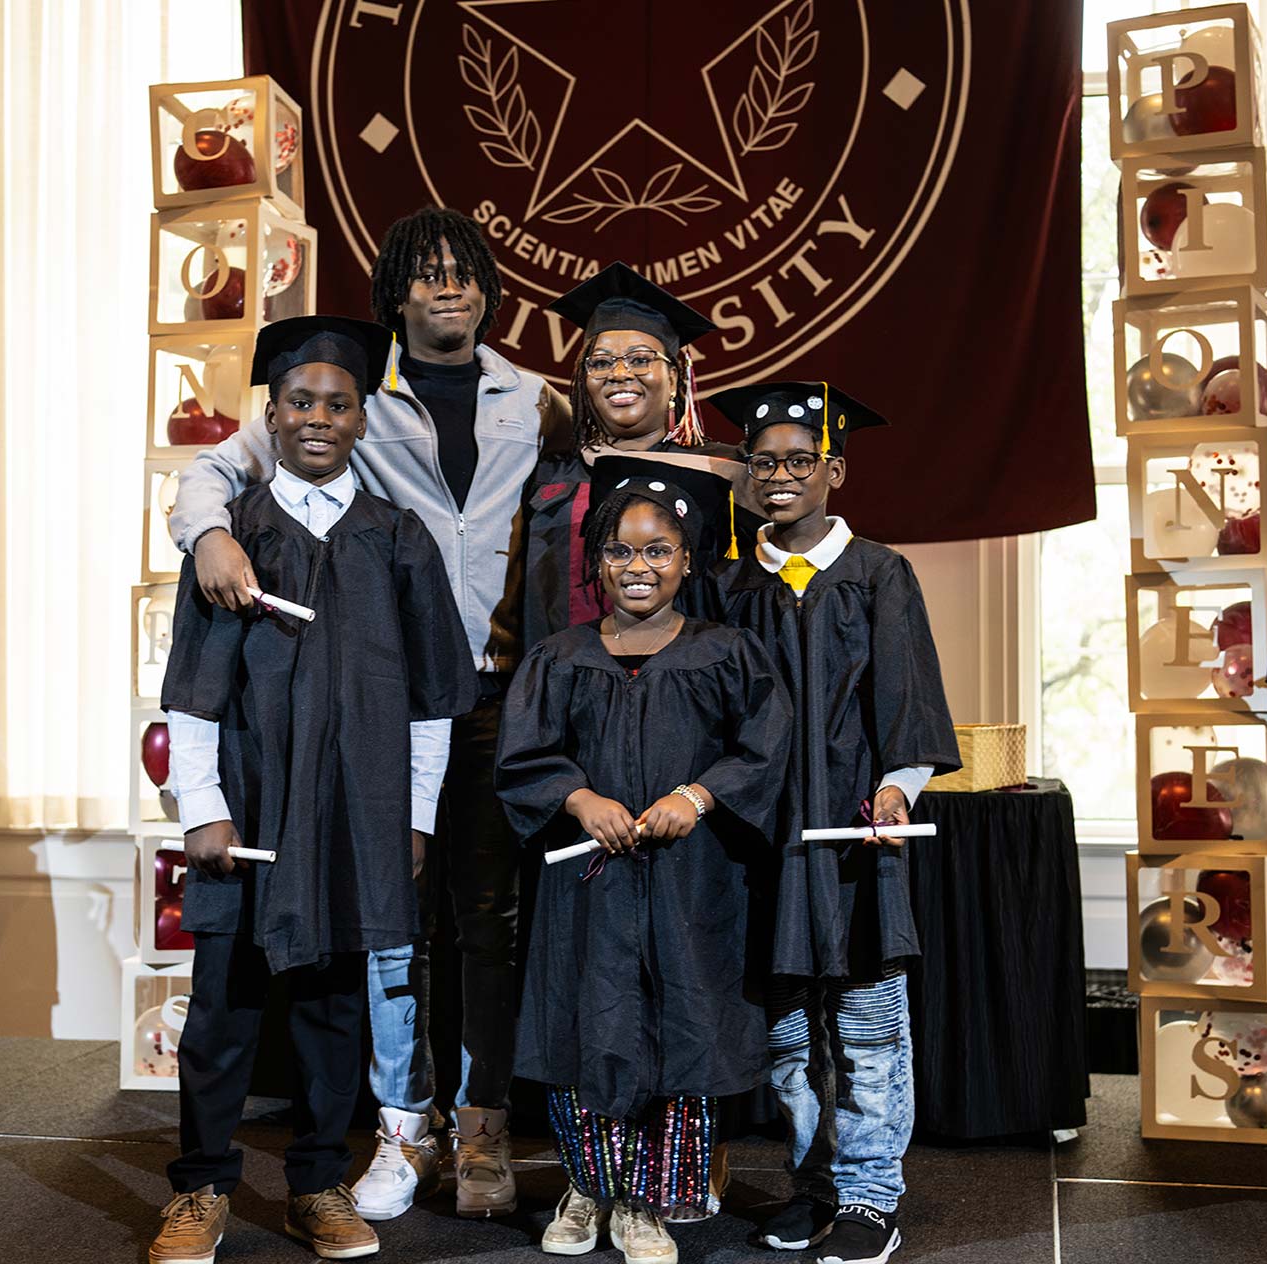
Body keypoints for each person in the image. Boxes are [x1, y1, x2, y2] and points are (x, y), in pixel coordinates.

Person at [170, 207, 567, 1222]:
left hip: (497, 695)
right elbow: (215, 468)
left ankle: (481, 1130)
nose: (449, 290)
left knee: (489, 924)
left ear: (487, 288)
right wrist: (210, 536)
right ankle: (401, 1125)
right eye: (427, 274)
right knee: (389, 935)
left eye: (465, 274)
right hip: (383, 700)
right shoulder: (350, 381)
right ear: (396, 292)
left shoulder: (533, 399)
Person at [146, 317, 477, 1264]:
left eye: (339, 404)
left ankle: (318, 1182)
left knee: (336, 1001)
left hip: (356, 811)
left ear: (363, 419)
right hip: (249, 808)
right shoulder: (232, 539)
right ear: (272, 413)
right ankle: (202, 1186)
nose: (319, 419)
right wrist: (200, 805)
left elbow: (430, 704)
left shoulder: (398, 540)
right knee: (225, 1004)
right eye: (301, 403)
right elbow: (195, 697)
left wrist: (411, 819)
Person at [496, 472, 791, 1264]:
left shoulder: (726, 653)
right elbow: (524, 755)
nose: (639, 565)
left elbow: (764, 747)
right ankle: (585, 1188)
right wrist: (578, 796)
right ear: (596, 562)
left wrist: (698, 794)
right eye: (620, 550)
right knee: (584, 1029)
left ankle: (646, 1204)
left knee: (680, 1032)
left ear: (687, 561)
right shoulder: (558, 658)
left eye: (658, 550)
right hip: (588, 892)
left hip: (690, 888)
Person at [708, 382, 959, 1264]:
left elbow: (911, 702)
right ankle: (812, 1185)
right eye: (762, 461)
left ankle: (868, 1195)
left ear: (834, 472)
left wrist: (898, 789)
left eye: (798, 461)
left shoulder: (879, 574)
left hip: (854, 838)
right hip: (763, 843)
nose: (778, 476)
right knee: (784, 1034)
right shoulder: (732, 585)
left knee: (865, 1028)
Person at [523, 262, 753, 652]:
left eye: (640, 359)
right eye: (600, 363)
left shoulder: (722, 470)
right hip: (564, 681)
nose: (619, 373)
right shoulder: (547, 474)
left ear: (676, 380)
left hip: (686, 683)